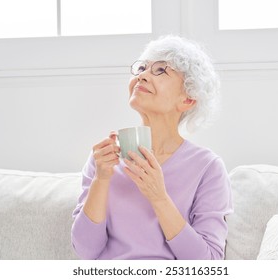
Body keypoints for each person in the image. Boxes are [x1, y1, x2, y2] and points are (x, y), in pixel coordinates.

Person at [71, 35, 233, 260]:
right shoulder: (103, 160)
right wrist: (101, 180)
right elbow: (86, 253)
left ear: (187, 99)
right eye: (141, 68)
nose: (142, 76)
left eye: (160, 71)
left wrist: (158, 197)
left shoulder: (207, 167)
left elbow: (209, 264)